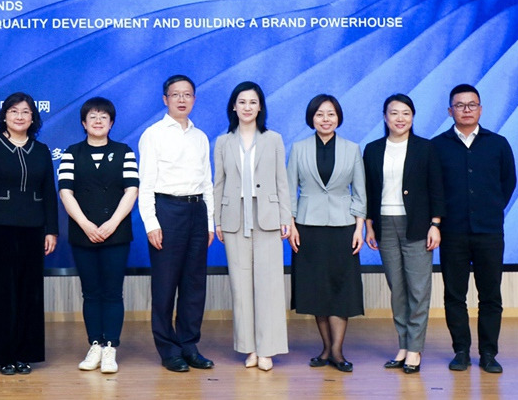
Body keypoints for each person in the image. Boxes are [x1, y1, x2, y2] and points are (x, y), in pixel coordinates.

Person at [431, 84, 516, 374]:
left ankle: (489, 353)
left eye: (472, 105)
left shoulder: (498, 143)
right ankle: (461, 351)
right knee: (454, 295)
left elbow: (508, 182)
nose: (466, 110)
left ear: (480, 109)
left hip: (489, 232)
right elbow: (433, 188)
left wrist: (491, 209)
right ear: (449, 111)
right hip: (452, 232)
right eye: (460, 105)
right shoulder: (437, 146)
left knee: (490, 295)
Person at [0, 92, 60, 375]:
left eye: (25, 112)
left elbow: (49, 193)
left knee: (30, 294)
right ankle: (5, 356)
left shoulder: (41, 149)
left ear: (33, 117)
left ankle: (26, 354)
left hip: (34, 229)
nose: (20, 116)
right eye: (14, 111)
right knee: (3, 294)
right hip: (0, 230)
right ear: (4, 116)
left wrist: (51, 230)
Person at [138, 75, 216, 373]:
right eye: (175, 94)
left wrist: (209, 223)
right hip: (167, 210)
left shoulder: (200, 137)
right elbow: (146, 184)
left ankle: (189, 345)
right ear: (165, 99)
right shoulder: (153, 134)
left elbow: (207, 182)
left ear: (194, 99)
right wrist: (151, 223)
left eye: (187, 95)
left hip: (197, 211)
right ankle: (168, 349)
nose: (182, 100)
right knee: (165, 284)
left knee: (194, 284)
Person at [363, 93, 444, 374]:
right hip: (384, 224)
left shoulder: (426, 148)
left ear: (413, 117)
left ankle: (415, 349)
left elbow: (437, 187)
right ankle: (403, 344)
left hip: (418, 225)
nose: (400, 118)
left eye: (406, 113)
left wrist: (435, 224)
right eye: (394, 113)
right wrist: (369, 224)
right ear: (385, 117)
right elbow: (369, 190)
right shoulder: (373, 149)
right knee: (397, 289)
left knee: (418, 289)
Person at [212, 82, 291, 371]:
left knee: (269, 286)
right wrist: (217, 220)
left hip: (267, 216)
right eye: (242, 102)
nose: (247, 107)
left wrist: (286, 217)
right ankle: (250, 348)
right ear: (233, 107)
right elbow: (218, 183)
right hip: (234, 217)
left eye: (253, 102)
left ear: (260, 107)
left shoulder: (273, 139)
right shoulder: (223, 142)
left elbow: (282, 181)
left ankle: (267, 349)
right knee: (241, 286)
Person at [58, 97, 139, 374]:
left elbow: (131, 190)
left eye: (104, 117)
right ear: (84, 123)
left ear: (111, 123)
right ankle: (94, 344)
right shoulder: (72, 153)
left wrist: (112, 223)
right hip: (83, 234)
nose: (98, 121)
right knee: (91, 293)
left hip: (116, 233)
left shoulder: (124, 152)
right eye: (92, 116)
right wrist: (86, 224)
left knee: (113, 292)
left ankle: (110, 348)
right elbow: (65, 192)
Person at [287, 94, 366, 373]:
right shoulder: (298, 148)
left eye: (331, 114)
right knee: (316, 290)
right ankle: (325, 348)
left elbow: (360, 192)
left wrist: (359, 228)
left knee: (341, 290)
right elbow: (290, 190)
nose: (325, 119)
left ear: (338, 117)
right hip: (308, 227)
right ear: (312, 118)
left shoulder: (352, 149)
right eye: (320, 114)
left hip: (343, 227)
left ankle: (337, 351)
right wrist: (291, 225)